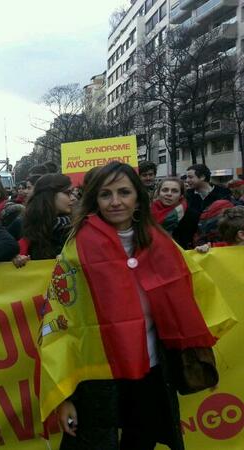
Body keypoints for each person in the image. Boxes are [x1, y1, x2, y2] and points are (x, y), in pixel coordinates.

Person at [51, 162, 226, 450]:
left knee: (142, 441)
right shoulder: (75, 250)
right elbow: (62, 325)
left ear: (138, 198)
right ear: (95, 198)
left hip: (152, 371)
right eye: (106, 194)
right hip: (98, 376)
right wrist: (66, 395)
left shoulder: (161, 243)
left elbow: (189, 301)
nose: (116, 202)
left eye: (124, 192)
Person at [14, 174, 75, 267]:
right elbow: (5, 249)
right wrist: (14, 257)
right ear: (50, 195)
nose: (73, 198)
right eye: (68, 193)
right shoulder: (23, 223)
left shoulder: (77, 225)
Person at [151, 177, 199, 249]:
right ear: (158, 193)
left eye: (174, 191)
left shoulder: (192, 215)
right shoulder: (146, 213)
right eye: (165, 190)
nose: (169, 194)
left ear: (181, 195)